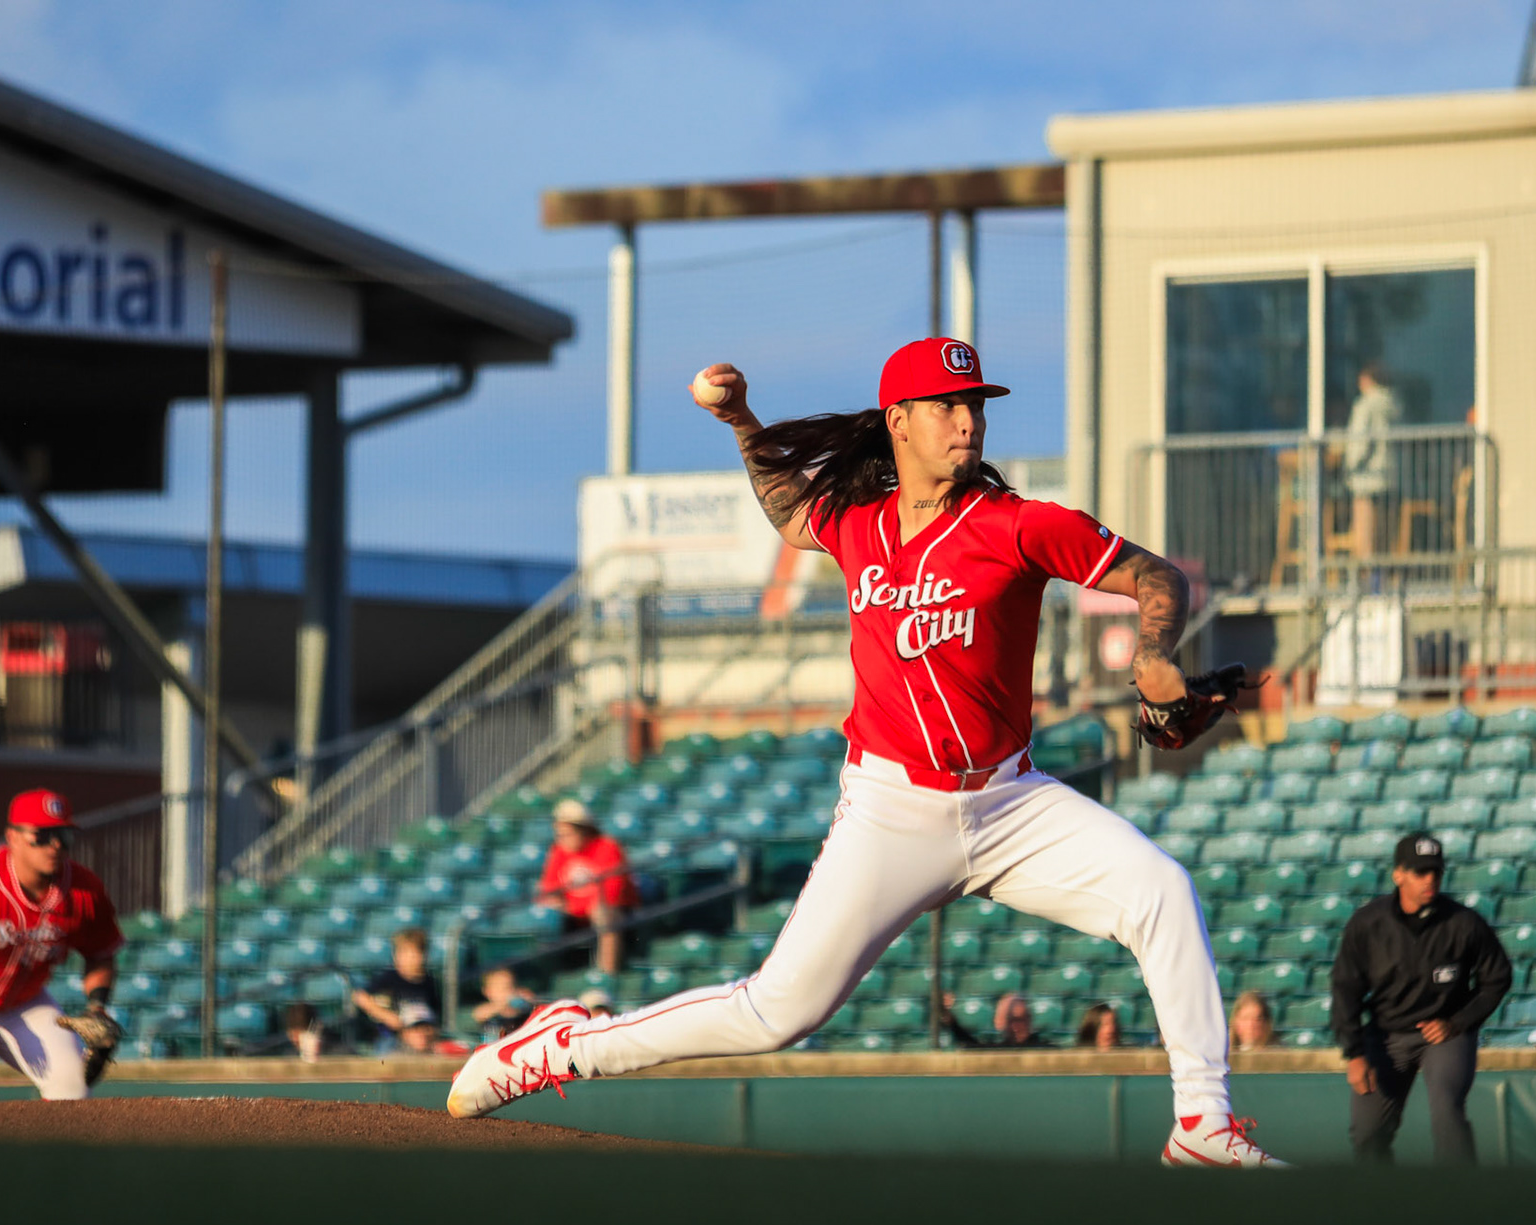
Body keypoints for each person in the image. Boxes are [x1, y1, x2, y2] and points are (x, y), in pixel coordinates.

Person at [449, 338, 1285, 1168]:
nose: (968, 422)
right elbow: (789, 511)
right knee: (775, 1013)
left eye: (975, 405)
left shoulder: (1021, 525)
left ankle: (1201, 1124)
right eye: (947, 406)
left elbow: (1156, 576)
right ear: (900, 421)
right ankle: (564, 1047)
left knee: (1162, 891)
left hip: (1010, 802)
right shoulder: (860, 525)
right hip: (893, 809)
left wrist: (1154, 653)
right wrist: (743, 422)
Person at [1331, 832, 1513, 1164]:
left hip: (1444, 1034)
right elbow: (1345, 988)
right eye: (1420, 871)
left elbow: (1497, 977)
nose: (1430, 879)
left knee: (1447, 1113)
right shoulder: (1369, 923)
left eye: (1436, 872)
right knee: (1367, 1134)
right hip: (1387, 1035)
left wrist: (1458, 1022)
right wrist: (1354, 1053)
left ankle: (1459, 1193)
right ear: (1398, 874)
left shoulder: (1463, 923)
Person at [0, 790, 124, 1099]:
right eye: (42, 835)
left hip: (25, 1003)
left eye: (63, 835)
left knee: (72, 1087)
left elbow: (100, 953)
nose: (55, 845)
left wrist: (97, 1008)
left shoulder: (85, 890)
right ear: (12, 837)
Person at [535, 799, 638, 976]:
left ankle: (606, 976)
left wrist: (573, 906)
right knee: (544, 915)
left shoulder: (607, 847)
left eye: (567, 834)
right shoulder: (559, 850)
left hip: (617, 912)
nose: (561, 839)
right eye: (559, 834)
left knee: (603, 915)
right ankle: (552, 977)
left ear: (583, 830)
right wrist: (569, 906)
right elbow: (548, 891)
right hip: (575, 913)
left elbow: (611, 896)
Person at [1340, 363, 1399, 558]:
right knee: (1385, 531)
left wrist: (1349, 467)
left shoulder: (1365, 405)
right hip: (1389, 476)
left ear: (1367, 380)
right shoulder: (1393, 404)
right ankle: (1383, 570)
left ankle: (1366, 570)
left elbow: (1360, 441)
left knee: (1365, 530)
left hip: (1367, 477)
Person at [351, 928, 441, 1050]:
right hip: (392, 1037)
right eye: (404, 953)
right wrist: (386, 1016)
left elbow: (434, 1015)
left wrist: (427, 1032)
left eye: (414, 953)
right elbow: (360, 997)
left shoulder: (429, 982)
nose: (410, 959)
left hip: (424, 1038)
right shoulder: (389, 978)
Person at [470, 968, 534, 1042]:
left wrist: (528, 1000)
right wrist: (503, 1004)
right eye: (501, 988)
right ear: (487, 992)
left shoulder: (522, 1010)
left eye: (510, 986)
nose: (507, 992)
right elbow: (478, 1014)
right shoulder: (486, 1013)